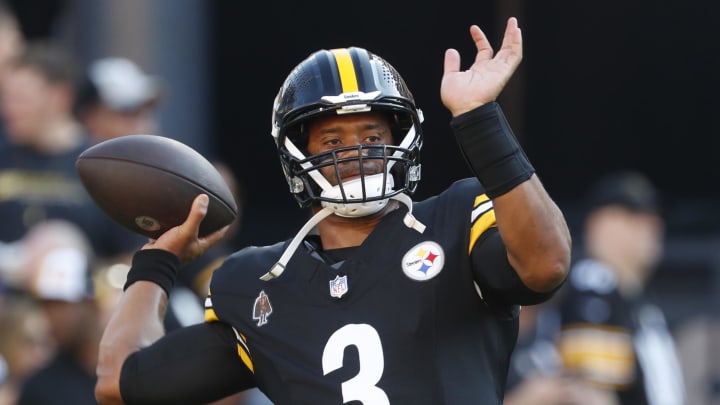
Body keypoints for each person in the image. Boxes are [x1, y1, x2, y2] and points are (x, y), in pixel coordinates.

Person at [95, 17, 572, 404]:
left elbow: (545, 263)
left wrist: (479, 119)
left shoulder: (455, 217)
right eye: (332, 140)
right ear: (297, 155)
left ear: (401, 142)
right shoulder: (256, 284)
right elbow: (120, 382)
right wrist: (157, 261)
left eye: (371, 137)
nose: (356, 153)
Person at [0, 40, 144, 262]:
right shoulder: (4, 157)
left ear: (60, 97)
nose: (9, 109)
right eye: (6, 98)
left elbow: (132, 253)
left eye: (21, 99)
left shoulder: (103, 166)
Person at [554, 171, 686, 405]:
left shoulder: (631, 297)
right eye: (633, 215)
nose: (651, 225)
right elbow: (593, 396)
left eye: (654, 216)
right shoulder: (593, 292)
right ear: (599, 224)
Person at [15, 220, 105, 405]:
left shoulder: (132, 367)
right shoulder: (40, 386)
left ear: (90, 303)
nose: (50, 317)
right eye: (46, 305)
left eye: (61, 304)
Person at [75, 56, 163, 144]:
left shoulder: (161, 155)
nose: (139, 122)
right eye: (127, 111)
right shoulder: (73, 156)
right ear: (90, 115)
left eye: (144, 109)